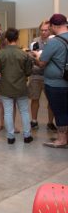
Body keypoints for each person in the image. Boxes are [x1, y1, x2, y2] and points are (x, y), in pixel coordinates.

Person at [0, 28, 33, 144]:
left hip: (5, 87)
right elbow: (29, 72)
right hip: (21, 87)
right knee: (24, 111)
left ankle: (10, 137)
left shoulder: (0, 53)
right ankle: (27, 136)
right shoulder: (24, 54)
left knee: (8, 112)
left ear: (6, 39)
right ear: (17, 38)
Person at [33, 13, 68, 148]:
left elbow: (42, 63)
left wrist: (36, 55)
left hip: (56, 83)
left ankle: (61, 140)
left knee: (60, 111)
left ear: (54, 26)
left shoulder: (54, 42)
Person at [28, 20, 57, 132]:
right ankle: (34, 121)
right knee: (35, 99)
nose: (44, 32)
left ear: (50, 30)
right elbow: (30, 56)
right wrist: (36, 58)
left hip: (49, 75)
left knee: (51, 101)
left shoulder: (54, 41)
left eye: (46, 30)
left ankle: (50, 122)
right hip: (35, 75)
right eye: (42, 30)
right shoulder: (35, 41)